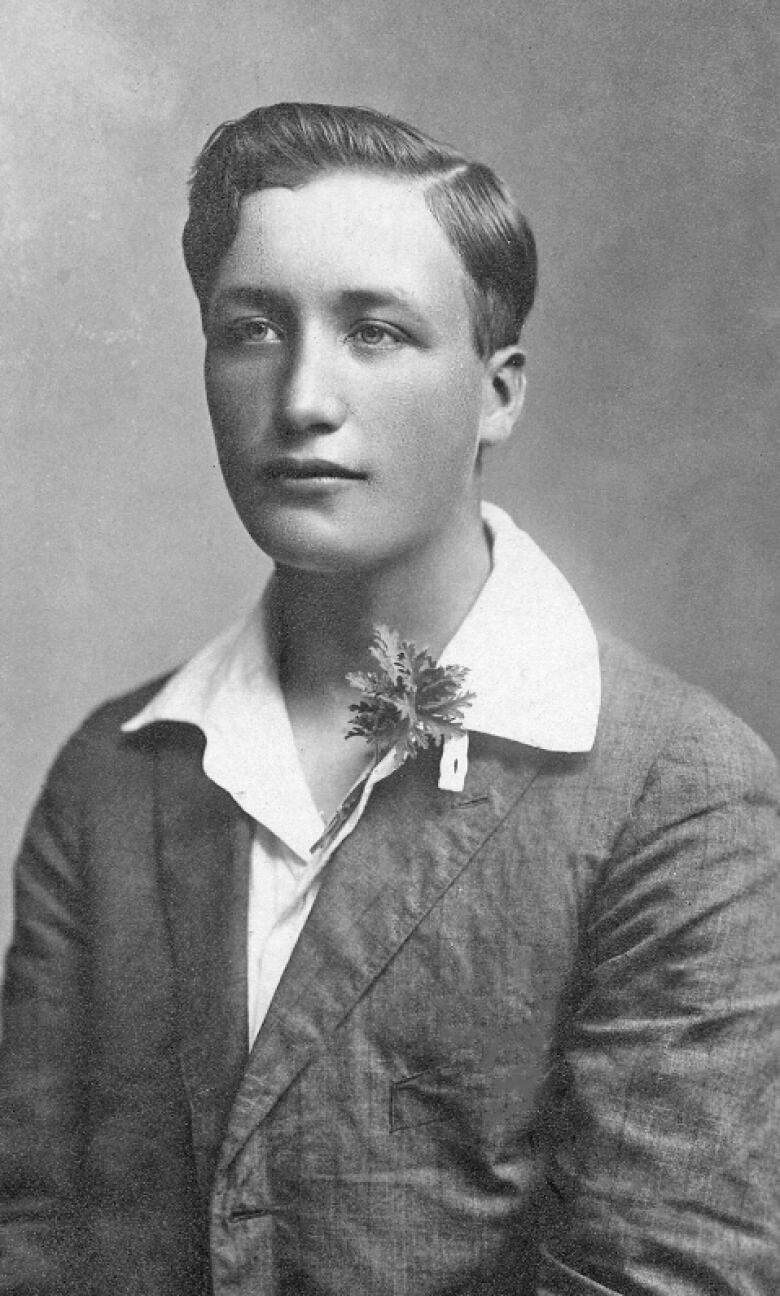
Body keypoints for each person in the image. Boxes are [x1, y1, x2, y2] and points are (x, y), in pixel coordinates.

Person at [1, 102, 779, 1296]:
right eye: (251, 327)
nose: (302, 396)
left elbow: (667, 1276)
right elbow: (39, 1233)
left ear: (498, 393)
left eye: (375, 331)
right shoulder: (114, 772)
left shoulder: (681, 798)